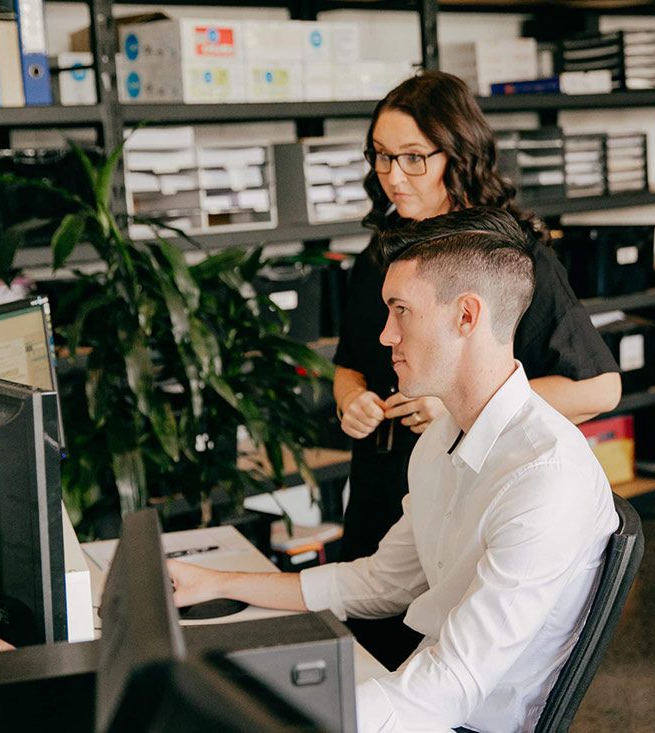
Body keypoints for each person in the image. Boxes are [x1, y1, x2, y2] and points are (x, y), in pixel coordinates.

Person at [169, 211, 619, 732]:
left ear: (467, 316)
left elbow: (451, 686)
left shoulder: (546, 478)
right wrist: (217, 582)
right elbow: (381, 582)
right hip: (421, 695)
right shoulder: (438, 441)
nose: (385, 336)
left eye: (400, 310)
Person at [332, 70, 622, 668]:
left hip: (465, 490)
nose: (392, 176)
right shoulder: (383, 250)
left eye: (413, 158)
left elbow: (598, 387)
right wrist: (350, 398)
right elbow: (350, 363)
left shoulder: (509, 258)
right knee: (367, 648)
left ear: (456, 153)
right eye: (381, 156)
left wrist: (457, 404)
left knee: (443, 669)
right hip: (384, 490)